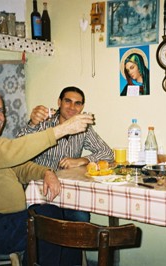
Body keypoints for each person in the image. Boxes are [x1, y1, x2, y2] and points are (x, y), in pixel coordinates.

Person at [0, 87, 94, 265]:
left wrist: (45, 172)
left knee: (57, 219)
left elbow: (19, 167)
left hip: (5, 221)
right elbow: (8, 152)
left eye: (0, 110)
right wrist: (60, 130)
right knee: (51, 224)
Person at [17, 86, 114, 222]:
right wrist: (33, 124)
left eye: (77, 103)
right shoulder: (43, 123)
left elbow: (108, 153)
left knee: (81, 219)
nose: (72, 107)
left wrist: (82, 160)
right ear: (59, 102)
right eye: (67, 101)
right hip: (43, 189)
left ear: (82, 107)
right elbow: (18, 148)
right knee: (49, 228)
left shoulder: (83, 127)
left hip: (70, 191)